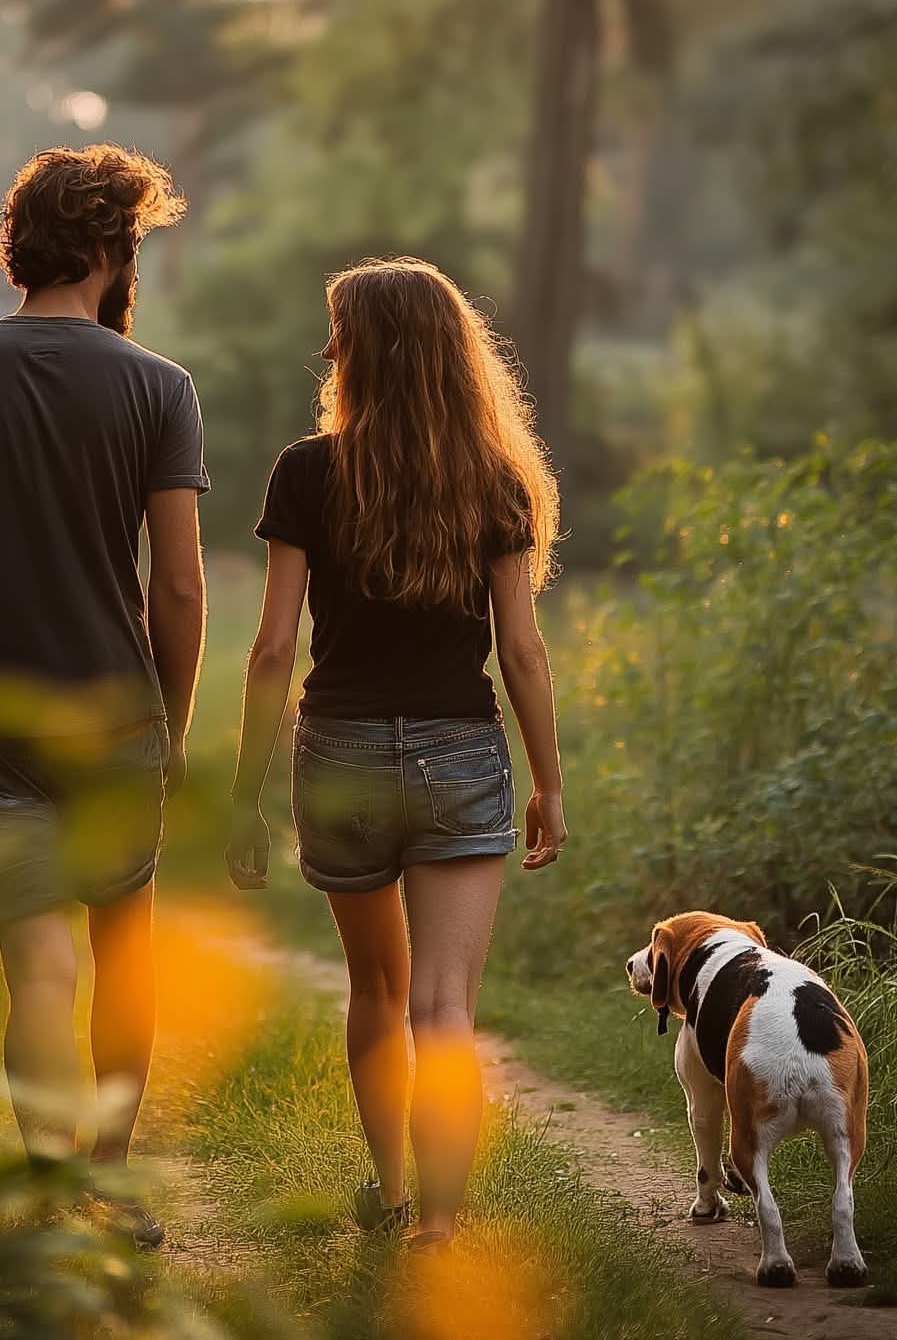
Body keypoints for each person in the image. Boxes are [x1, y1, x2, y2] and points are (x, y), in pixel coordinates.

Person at [0, 146, 208, 1245]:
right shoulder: (158, 387)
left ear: (20, 244)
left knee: (37, 969)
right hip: (117, 716)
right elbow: (177, 581)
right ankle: (110, 1186)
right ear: (114, 249)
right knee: (123, 952)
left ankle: (52, 1197)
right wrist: (174, 719)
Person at [222, 256, 568, 1248]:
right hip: (461, 752)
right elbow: (520, 653)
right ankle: (444, 1222)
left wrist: (246, 795)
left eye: (337, 331)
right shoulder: (495, 481)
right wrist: (547, 782)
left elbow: (273, 648)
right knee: (443, 1002)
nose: (325, 349)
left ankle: (387, 1190)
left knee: (375, 990)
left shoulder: (304, 472)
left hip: (338, 757)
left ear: (366, 352)